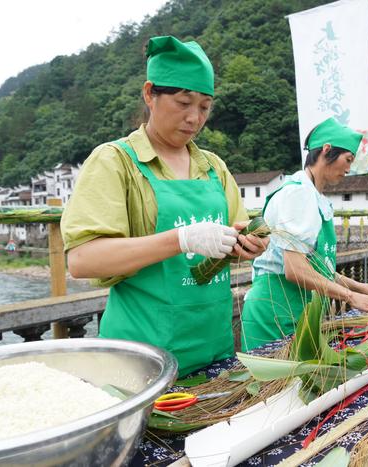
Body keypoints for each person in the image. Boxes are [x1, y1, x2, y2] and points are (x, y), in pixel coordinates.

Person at [61, 36, 268, 376]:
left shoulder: (214, 167)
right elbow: (83, 260)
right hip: (142, 361)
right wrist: (181, 239)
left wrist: (250, 245)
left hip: (215, 350)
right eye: (183, 102)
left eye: (204, 106)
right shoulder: (116, 161)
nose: (194, 118)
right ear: (149, 94)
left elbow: (237, 232)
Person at [240, 118, 368, 351]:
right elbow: (295, 271)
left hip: (295, 307)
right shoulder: (298, 194)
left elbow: (317, 267)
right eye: (348, 160)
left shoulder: (313, 196)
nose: (348, 169)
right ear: (327, 150)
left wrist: (361, 287)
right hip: (275, 310)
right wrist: (351, 298)